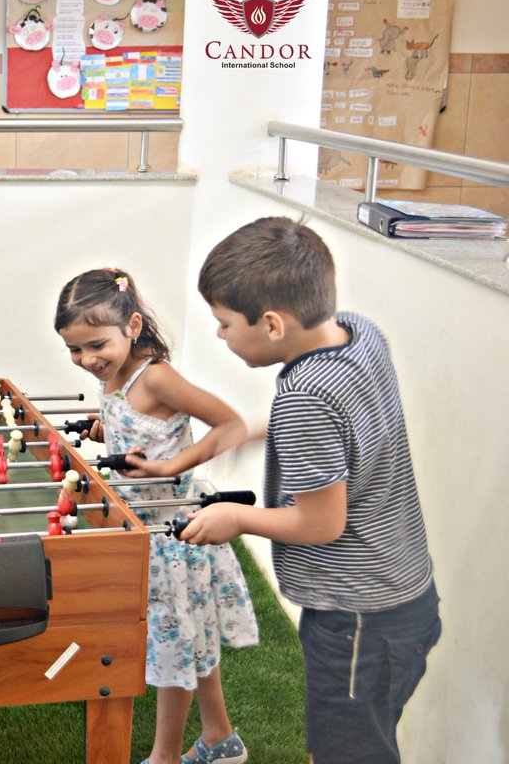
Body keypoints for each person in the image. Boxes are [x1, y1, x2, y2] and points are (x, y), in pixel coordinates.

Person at [187, 217, 441, 764]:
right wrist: (248, 431)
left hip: (358, 621)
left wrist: (237, 519)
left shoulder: (304, 398)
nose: (219, 335)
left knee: (349, 751)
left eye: (225, 324)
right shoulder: (358, 331)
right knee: (360, 737)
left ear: (273, 325)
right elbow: (345, 424)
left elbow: (322, 524)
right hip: (404, 599)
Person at [54, 268, 258, 764]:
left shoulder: (156, 375)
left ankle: (164, 757)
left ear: (133, 325)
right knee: (191, 639)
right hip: (141, 527)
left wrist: (169, 465)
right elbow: (141, 425)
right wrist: (110, 431)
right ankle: (220, 738)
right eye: (75, 350)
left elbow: (229, 425)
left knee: (173, 646)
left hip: (176, 536)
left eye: (95, 345)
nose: (87, 360)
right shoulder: (116, 376)